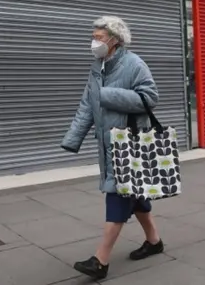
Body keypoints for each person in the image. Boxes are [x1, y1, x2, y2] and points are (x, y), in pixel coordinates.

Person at [61, 16, 164, 280]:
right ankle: (154, 241)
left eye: (99, 38)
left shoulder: (134, 64)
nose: (94, 42)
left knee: (118, 193)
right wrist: (73, 138)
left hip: (130, 142)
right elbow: (87, 104)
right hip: (108, 144)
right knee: (134, 193)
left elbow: (150, 98)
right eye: (93, 37)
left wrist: (108, 95)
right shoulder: (98, 66)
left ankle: (101, 260)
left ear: (115, 40)